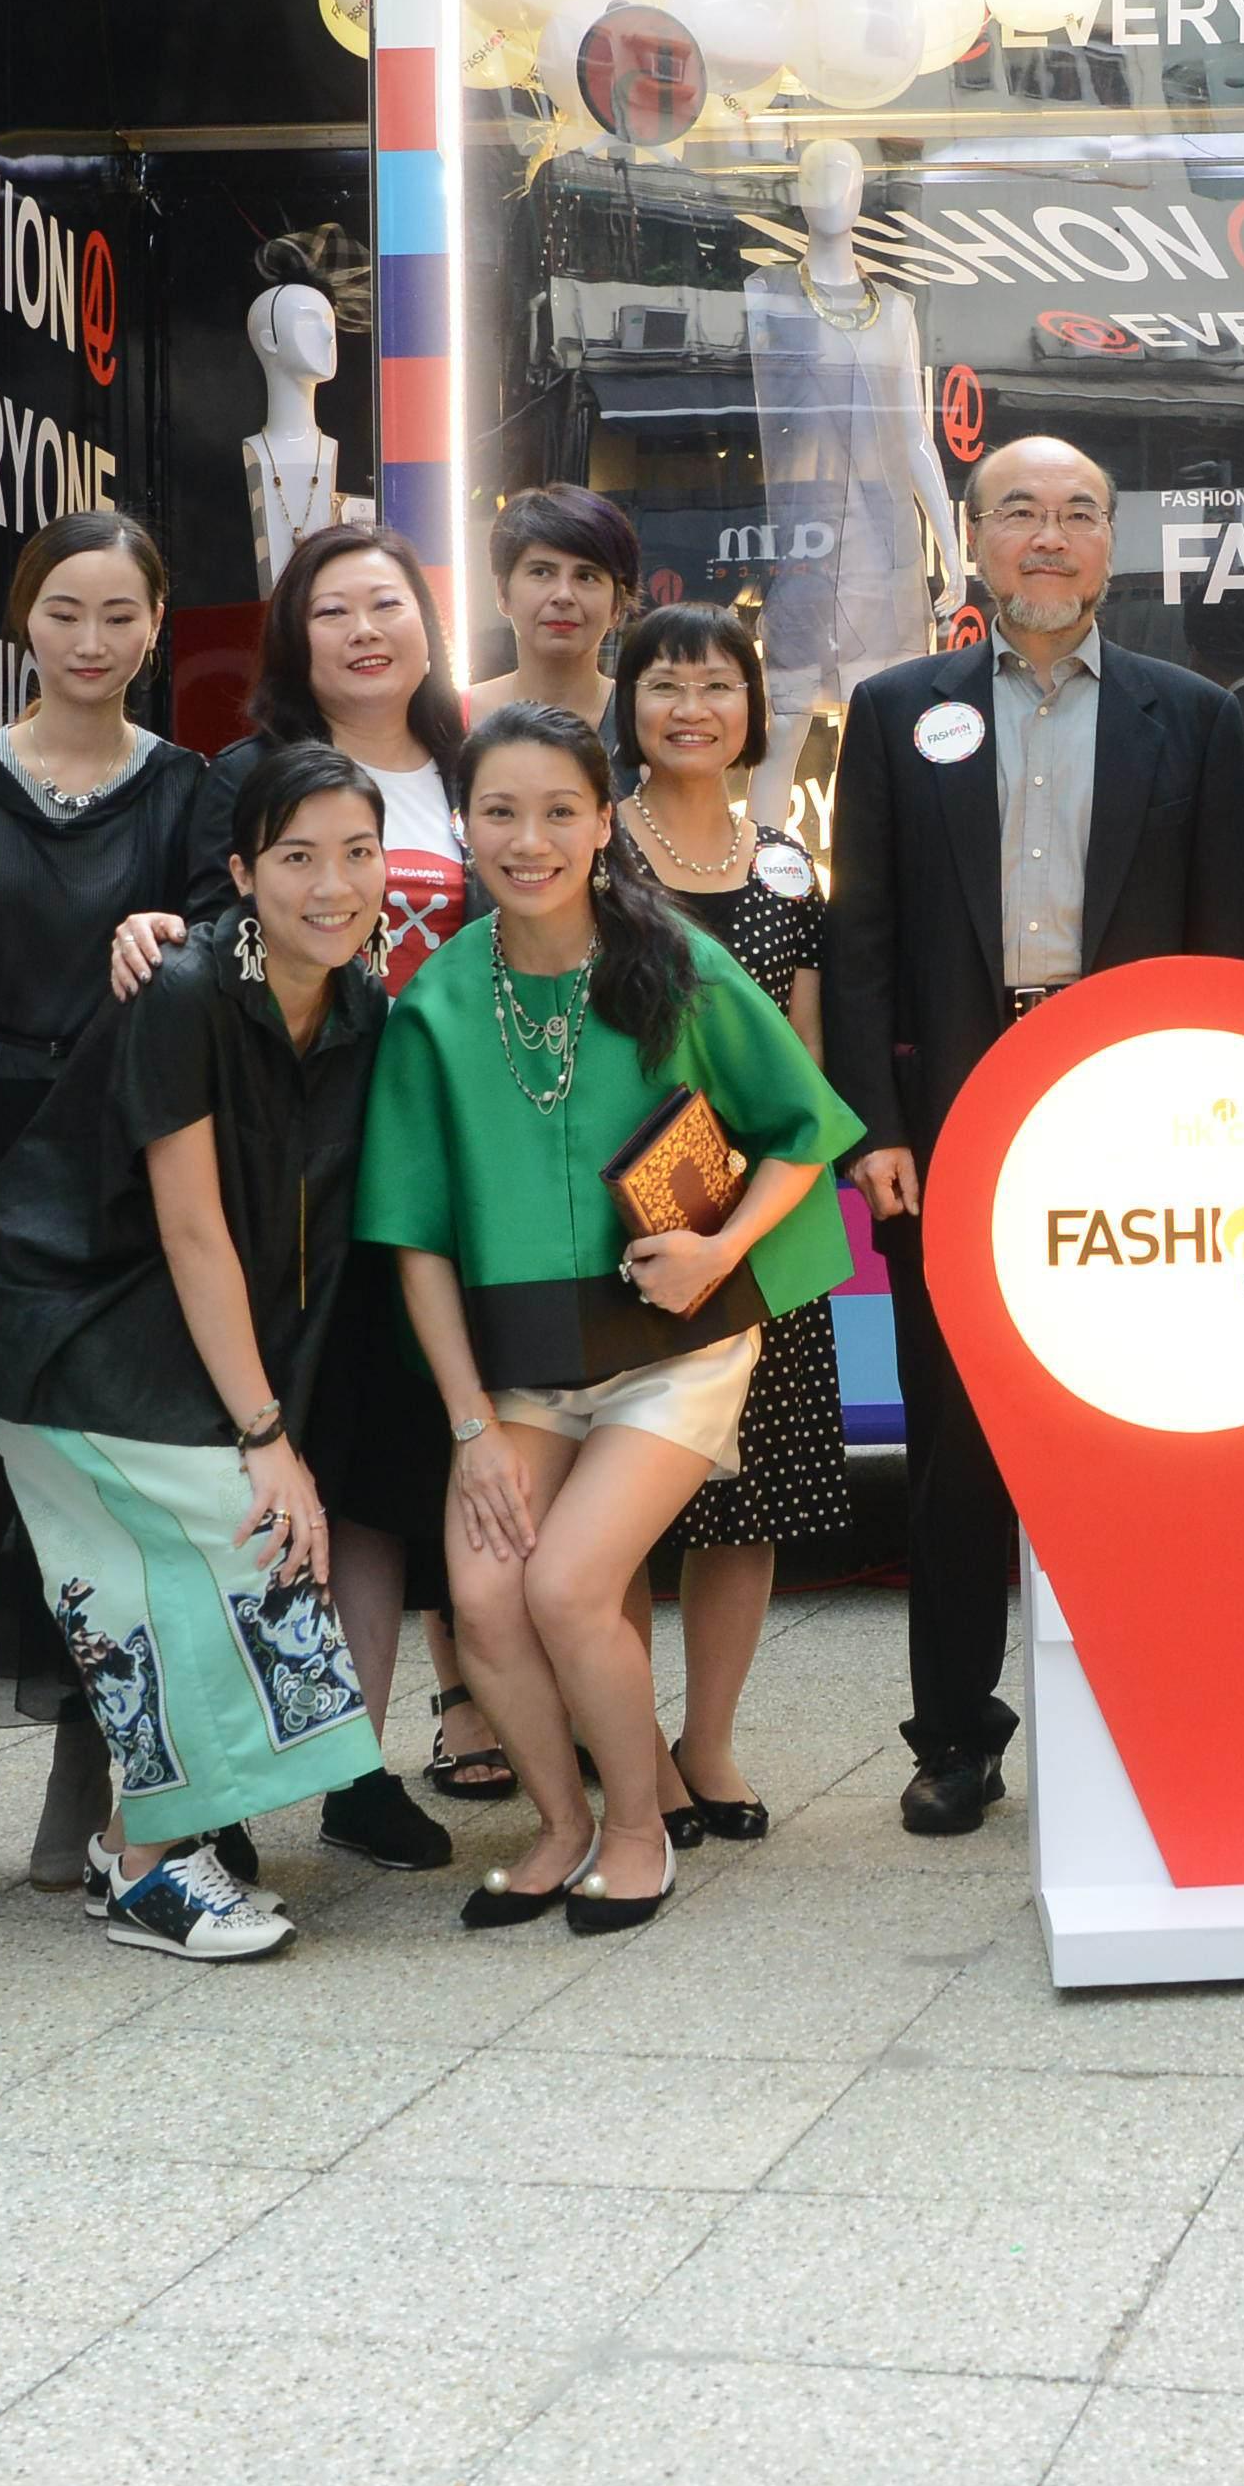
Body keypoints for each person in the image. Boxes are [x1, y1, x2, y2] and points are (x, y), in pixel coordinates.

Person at [819, 435, 1244, 1835]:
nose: (1051, 538)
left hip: (1136, 1119)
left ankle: (1150, 1703)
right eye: (1021, 512)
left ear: (1112, 541)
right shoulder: (898, 713)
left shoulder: (1188, 717)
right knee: (956, 1446)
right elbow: (864, 938)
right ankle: (955, 1734)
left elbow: (1225, 949)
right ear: (976, 536)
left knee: (1142, 1430)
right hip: (954, 1113)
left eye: (1080, 513)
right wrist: (874, 1128)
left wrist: (1215, 1136)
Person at [363, 708, 858, 1930]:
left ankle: (641, 1828)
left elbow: (802, 1130)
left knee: (572, 1583)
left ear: (601, 820)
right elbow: (415, 1240)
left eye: (558, 812)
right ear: (464, 823)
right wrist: (471, 1424)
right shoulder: (435, 999)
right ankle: (564, 1823)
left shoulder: (675, 962)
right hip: (524, 1368)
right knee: (484, 1592)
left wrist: (721, 1246)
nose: (528, 840)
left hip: (675, 1350)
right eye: (499, 812)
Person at [0, 743, 406, 1960]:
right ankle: (153, 1867)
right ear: (243, 870)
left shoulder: (363, 1004)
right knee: (232, 1533)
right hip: (61, 1318)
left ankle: (127, 1850)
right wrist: (266, 1437)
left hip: (161, 1332)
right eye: (298, 856)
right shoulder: (188, 985)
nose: (333, 883)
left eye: (358, 853)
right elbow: (194, 1224)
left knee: (153, 1583)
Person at [0, 509, 230, 1896]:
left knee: (97, 1485)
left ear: (157, 628)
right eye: (65, 613)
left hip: (114, 1165)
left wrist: (184, 937)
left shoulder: (192, 788)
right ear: (22, 621)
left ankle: (93, 1756)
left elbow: (228, 954)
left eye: (121, 617)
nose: (92, 643)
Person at [230, 521, 484, 1867]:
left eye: (390, 602)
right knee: (280, 1471)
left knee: (386, 1481)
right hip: (300, 1174)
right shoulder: (250, 778)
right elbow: (207, 943)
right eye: (335, 611)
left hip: (449, 1168)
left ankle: (355, 1765)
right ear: (296, 638)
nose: (367, 630)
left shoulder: (473, 769)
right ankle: (219, 1776)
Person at [614, 602, 849, 1840]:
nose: (691, 707)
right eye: (665, 684)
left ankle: (708, 1743)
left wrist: (760, 1211)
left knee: (745, 1500)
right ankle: (633, 1744)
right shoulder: (593, 851)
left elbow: (805, 1069)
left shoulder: (789, 863)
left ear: (753, 711)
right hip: (621, 1218)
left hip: (756, 1223)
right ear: (630, 706)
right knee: (626, 1497)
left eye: (717, 685)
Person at [484, 485, 643, 725]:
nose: (563, 595)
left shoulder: (645, 722)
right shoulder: (452, 720)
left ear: (617, 605)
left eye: (586, 576)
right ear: (502, 593)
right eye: (541, 572)